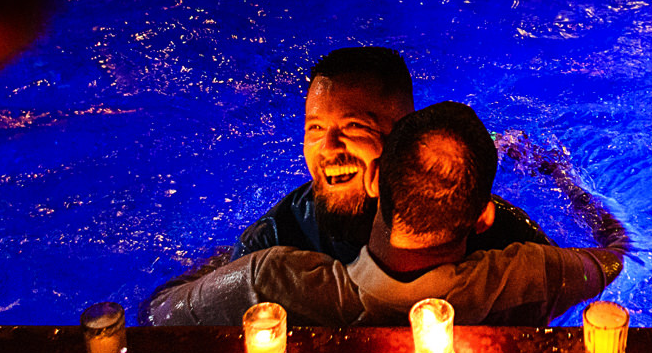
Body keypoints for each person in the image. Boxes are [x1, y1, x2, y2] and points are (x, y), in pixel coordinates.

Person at [143, 102, 626, 325]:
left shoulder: (267, 281)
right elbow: (618, 256)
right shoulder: (530, 275)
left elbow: (159, 312)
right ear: (483, 218)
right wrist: (562, 180)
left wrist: (221, 263)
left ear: (375, 181)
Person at [236, 46, 547, 261]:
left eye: (354, 127)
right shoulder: (272, 242)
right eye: (315, 129)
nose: (328, 148)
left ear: (403, 134)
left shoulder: (475, 219)